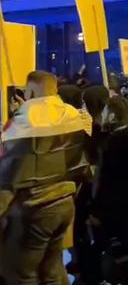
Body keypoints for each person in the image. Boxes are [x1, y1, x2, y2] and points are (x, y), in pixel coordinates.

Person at [0, 71, 90, 285]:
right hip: (65, 203)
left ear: (30, 90)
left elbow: (8, 169)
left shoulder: (24, 120)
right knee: (52, 270)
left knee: (23, 274)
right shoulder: (74, 115)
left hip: (34, 208)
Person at [90, 96, 128, 283]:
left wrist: (96, 209)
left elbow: (105, 180)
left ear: (112, 114)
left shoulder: (115, 142)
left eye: (104, 111)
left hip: (116, 207)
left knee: (119, 251)